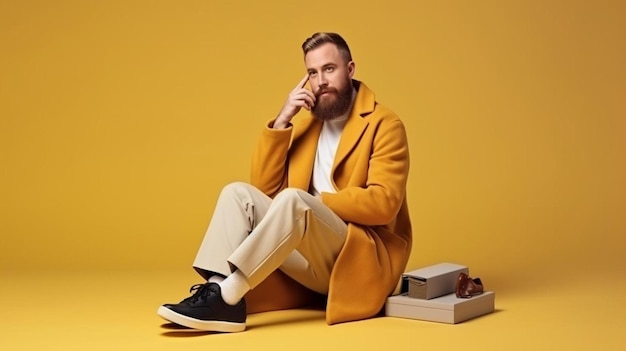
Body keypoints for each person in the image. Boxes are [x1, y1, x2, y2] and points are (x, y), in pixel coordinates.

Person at [157, 32, 412, 332]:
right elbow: (264, 191)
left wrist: (318, 203)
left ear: (350, 69)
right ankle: (218, 290)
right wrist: (282, 121)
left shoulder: (384, 124)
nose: (321, 81)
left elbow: (384, 205)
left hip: (358, 260)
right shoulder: (306, 122)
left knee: (294, 200)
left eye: (329, 69)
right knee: (237, 194)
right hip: (307, 260)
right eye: (312, 73)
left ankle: (229, 295)